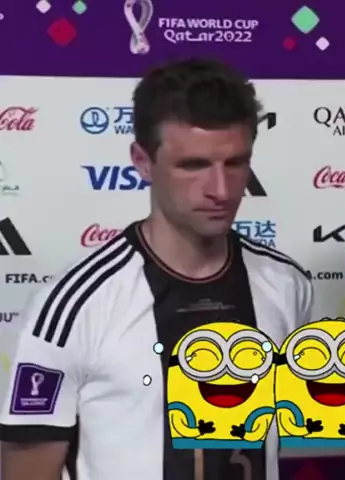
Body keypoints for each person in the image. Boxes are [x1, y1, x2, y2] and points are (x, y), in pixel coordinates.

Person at [0, 58, 313, 480]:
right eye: (193, 165)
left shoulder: (286, 285)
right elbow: (27, 469)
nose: (221, 190)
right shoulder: (73, 306)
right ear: (142, 161)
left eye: (236, 163)